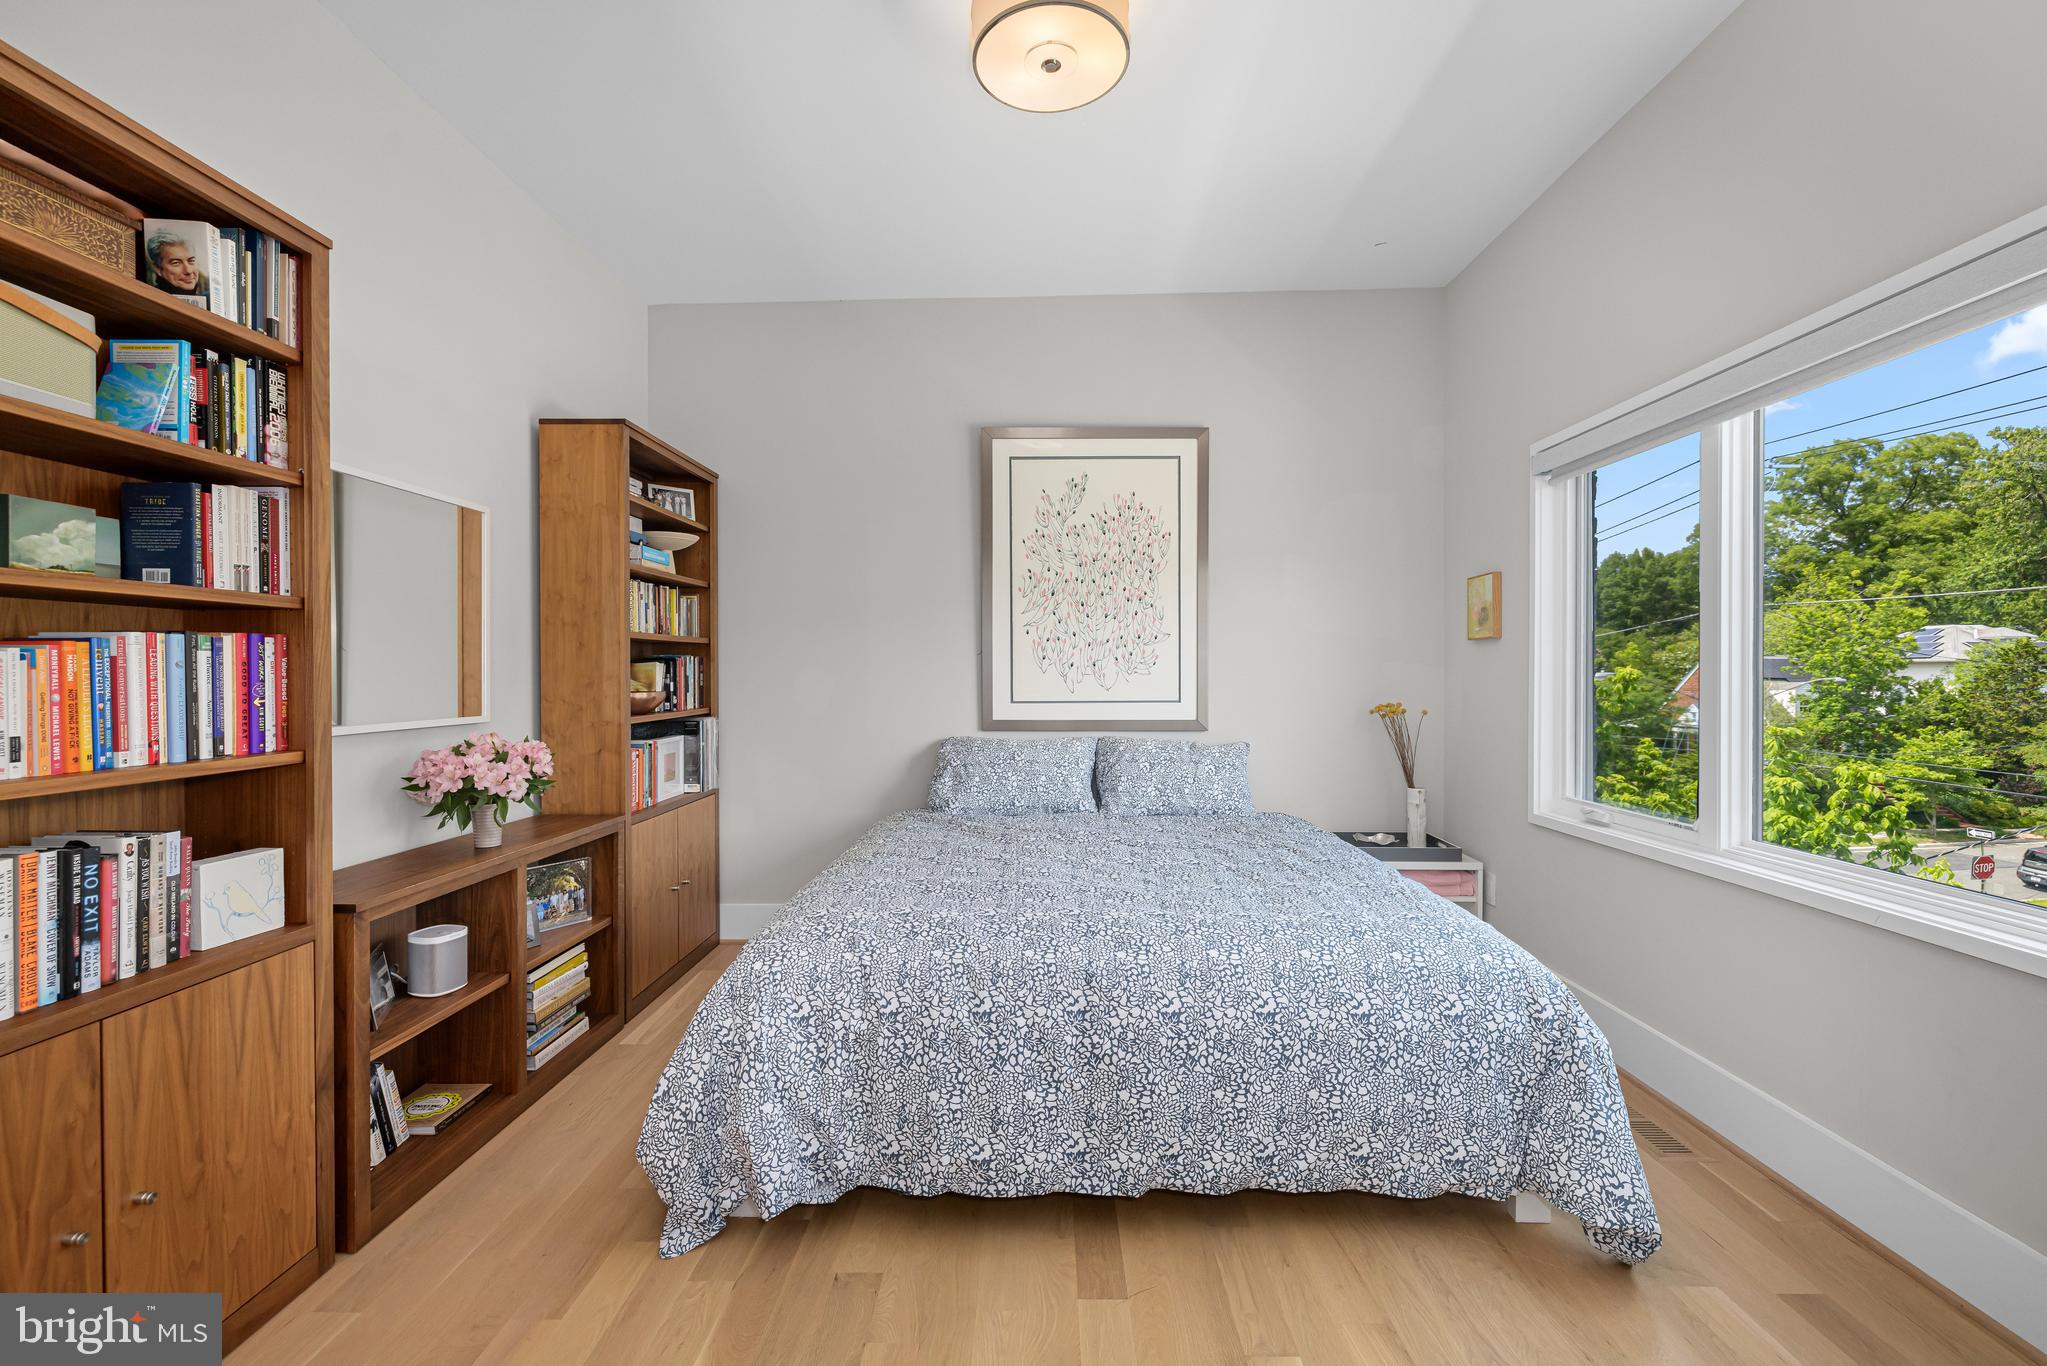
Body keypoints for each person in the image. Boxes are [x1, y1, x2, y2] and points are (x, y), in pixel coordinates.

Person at [144, 227, 206, 297]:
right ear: (157, 268)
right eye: (176, 263)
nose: (188, 271)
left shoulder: (207, 300)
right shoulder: (150, 298)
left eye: (191, 261)